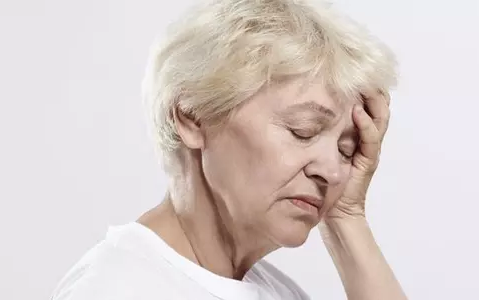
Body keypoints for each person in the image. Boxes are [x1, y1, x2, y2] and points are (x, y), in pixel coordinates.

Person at [52, 0, 407, 299]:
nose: (332, 171)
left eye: (346, 150)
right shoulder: (119, 289)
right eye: (304, 131)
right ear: (192, 117)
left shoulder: (278, 292)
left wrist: (346, 214)